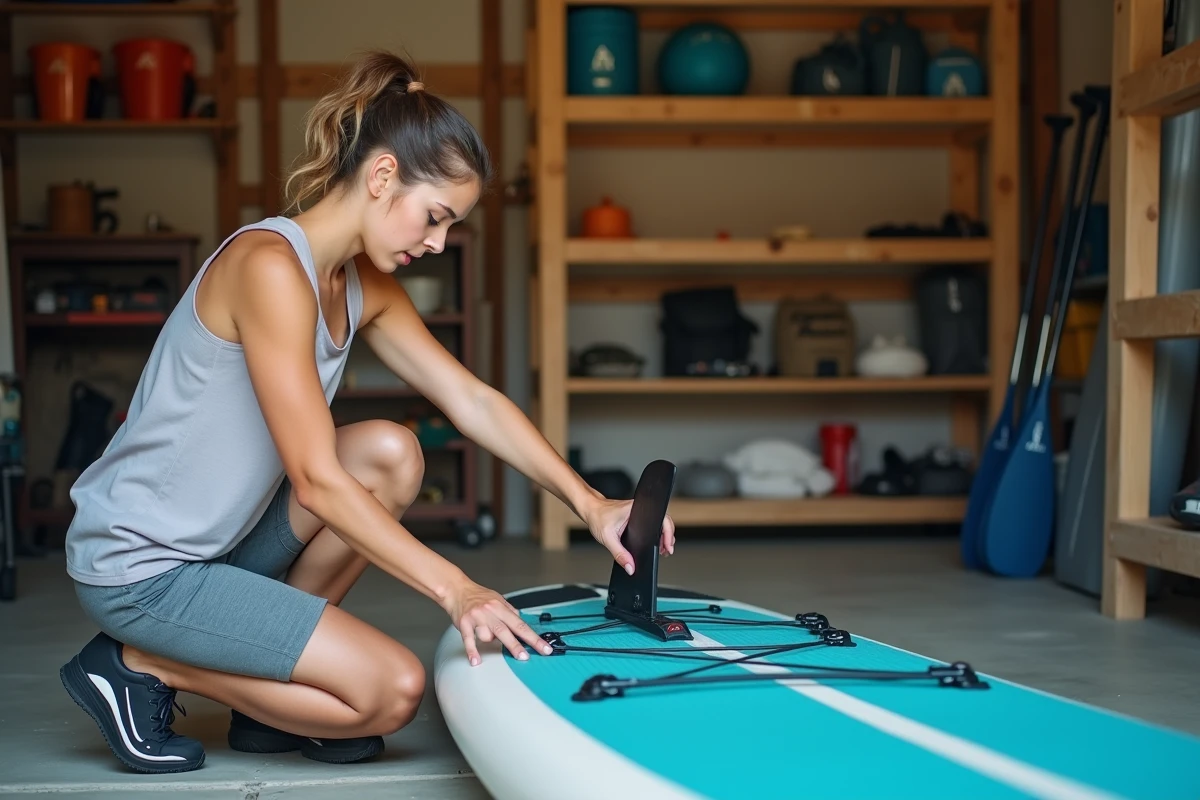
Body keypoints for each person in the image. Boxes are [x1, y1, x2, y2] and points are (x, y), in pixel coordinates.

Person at [57, 50, 676, 774]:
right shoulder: (266, 267)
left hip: (223, 550)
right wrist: (459, 590)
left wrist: (590, 501)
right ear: (383, 176)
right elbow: (316, 481)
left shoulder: (360, 284)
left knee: (391, 451)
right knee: (390, 694)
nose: (438, 242)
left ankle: (261, 701)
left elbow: (470, 398)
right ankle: (137, 662)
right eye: (436, 216)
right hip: (143, 570)